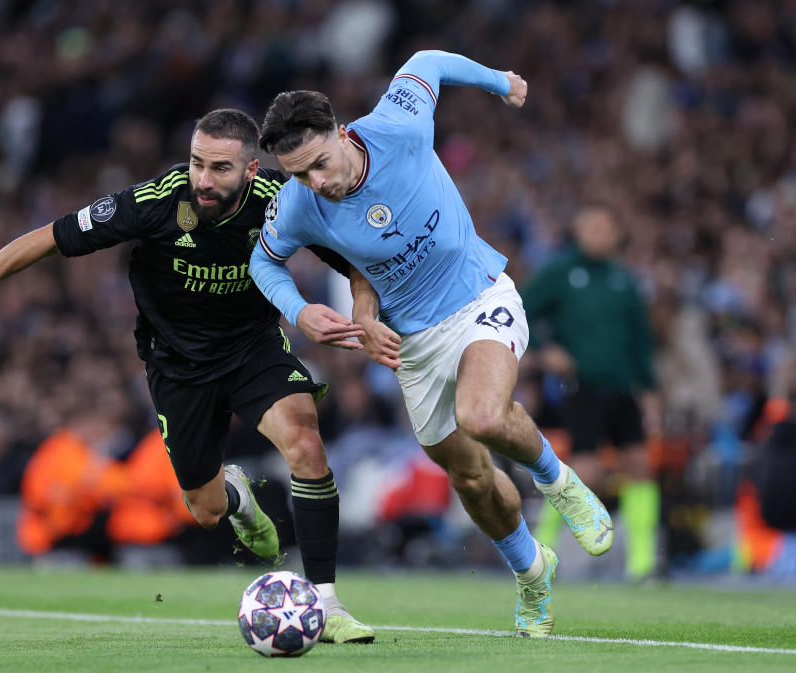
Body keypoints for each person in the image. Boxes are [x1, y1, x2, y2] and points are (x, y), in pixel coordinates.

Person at [0, 109, 374, 644]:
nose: (203, 179)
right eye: (197, 163)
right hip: (176, 366)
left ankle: (327, 604)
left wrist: (364, 315)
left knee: (305, 442)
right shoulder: (155, 202)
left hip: (251, 350)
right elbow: (52, 236)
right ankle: (238, 497)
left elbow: (355, 262)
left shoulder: (281, 201)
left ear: (251, 169)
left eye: (220, 168)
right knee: (207, 510)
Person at [248, 50, 613, 637]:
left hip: (479, 298)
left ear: (343, 134)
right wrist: (301, 312)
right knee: (469, 478)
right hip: (413, 344)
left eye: (319, 163)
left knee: (483, 415)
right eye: (299, 174)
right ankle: (531, 573)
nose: (316, 182)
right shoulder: (300, 203)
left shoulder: (399, 124)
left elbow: (429, 61)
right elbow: (263, 263)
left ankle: (559, 482)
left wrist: (502, 82)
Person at [521, 204, 662, 581]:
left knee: (639, 466)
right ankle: (539, 552)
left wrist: (649, 388)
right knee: (587, 471)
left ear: (616, 234)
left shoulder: (624, 279)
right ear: (579, 232)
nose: (599, 234)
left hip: (623, 387)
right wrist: (544, 348)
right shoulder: (561, 272)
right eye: (592, 227)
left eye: (605, 227)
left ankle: (643, 563)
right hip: (582, 386)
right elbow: (523, 309)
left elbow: (640, 339)